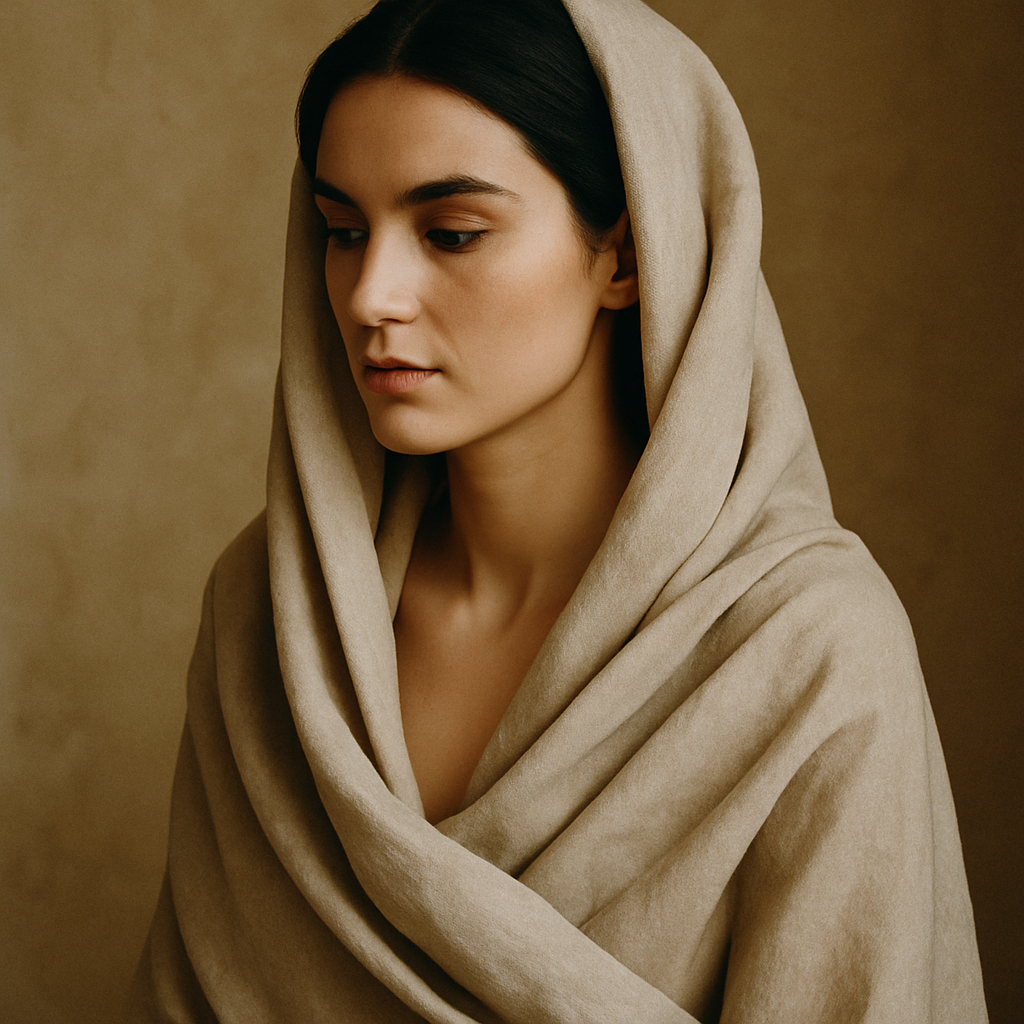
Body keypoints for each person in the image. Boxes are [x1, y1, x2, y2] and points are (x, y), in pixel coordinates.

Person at [126, 0, 988, 1020]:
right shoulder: (267, 616)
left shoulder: (808, 649)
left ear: (624, 253)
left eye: (451, 232)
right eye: (343, 231)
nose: (370, 295)